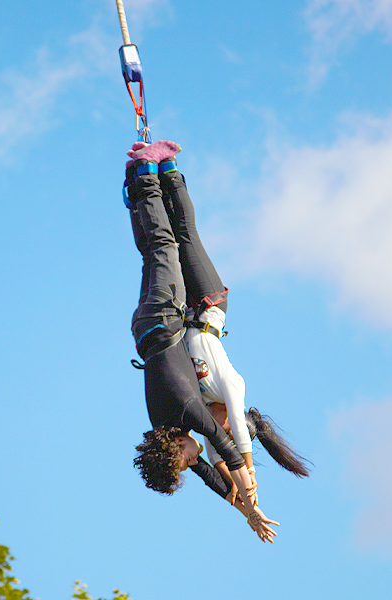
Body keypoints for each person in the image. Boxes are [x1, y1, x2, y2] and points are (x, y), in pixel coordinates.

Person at [124, 139, 278, 542]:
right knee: (151, 252)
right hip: (145, 329)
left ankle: (145, 172)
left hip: (165, 316)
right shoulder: (164, 423)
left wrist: (253, 502)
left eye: (183, 464)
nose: (192, 463)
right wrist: (244, 510)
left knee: (165, 246)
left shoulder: (189, 411)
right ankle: (135, 182)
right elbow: (211, 473)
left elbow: (227, 452)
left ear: (175, 448)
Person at [157, 156, 311, 510]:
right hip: (209, 303)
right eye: (227, 429)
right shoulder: (231, 390)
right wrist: (251, 476)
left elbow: (212, 464)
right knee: (186, 236)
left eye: (219, 435)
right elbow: (238, 442)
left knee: (166, 246)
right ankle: (171, 173)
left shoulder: (199, 404)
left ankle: (152, 188)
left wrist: (245, 508)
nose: (219, 431)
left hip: (183, 309)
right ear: (235, 419)